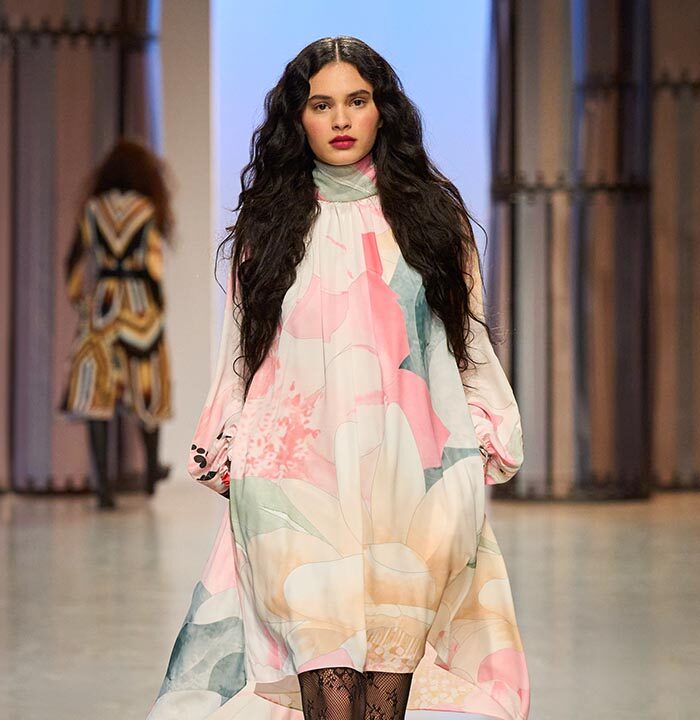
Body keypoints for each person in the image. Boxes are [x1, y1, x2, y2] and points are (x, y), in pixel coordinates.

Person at [148, 37, 528, 720]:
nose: (342, 119)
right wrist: (228, 445)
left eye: (357, 100)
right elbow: (242, 353)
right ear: (298, 118)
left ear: (384, 110)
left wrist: (480, 441)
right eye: (322, 105)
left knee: (385, 686)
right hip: (293, 481)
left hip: (411, 482)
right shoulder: (268, 226)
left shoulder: (433, 222)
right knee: (324, 682)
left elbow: (465, 345)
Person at [60, 139, 173, 509]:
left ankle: (103, 488)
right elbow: (153, 263)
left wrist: (81, 303)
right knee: (147, 389)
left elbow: (74, 261)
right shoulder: (147, 208)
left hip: (104, 306)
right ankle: (151, 472)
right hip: (140, 307)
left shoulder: (93, 209)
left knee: (97, 395)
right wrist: (157, 303)